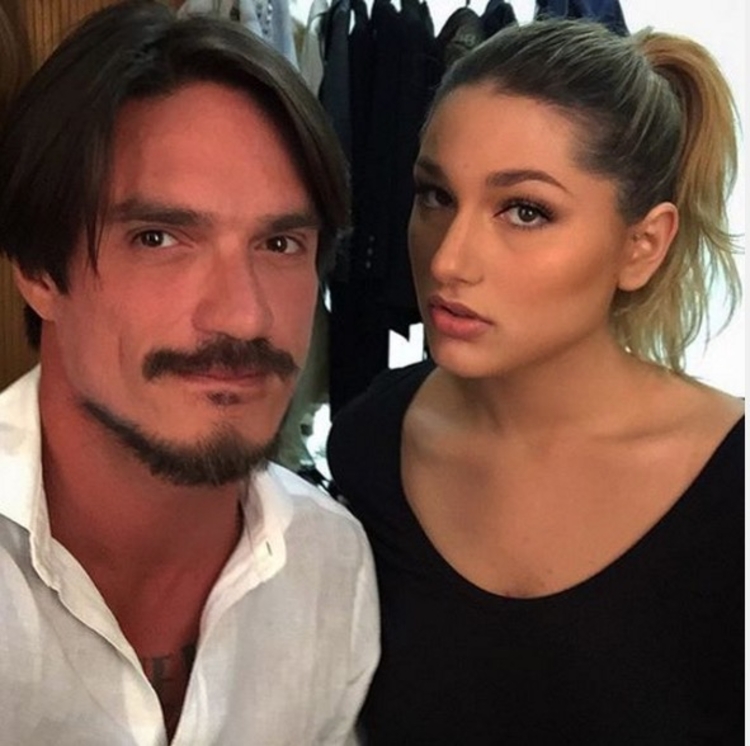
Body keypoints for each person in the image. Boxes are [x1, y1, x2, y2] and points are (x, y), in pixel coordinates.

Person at [327, 18, 743, 745]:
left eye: (525, 211)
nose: (449, 260)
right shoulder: (371, 442)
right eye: (435, 195)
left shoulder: (733, 490)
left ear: (642, 246)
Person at [0, 1, 379, 743]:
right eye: (159, 238)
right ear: (40, 272)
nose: (244, 317)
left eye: (280, 244)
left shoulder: (330, 565)